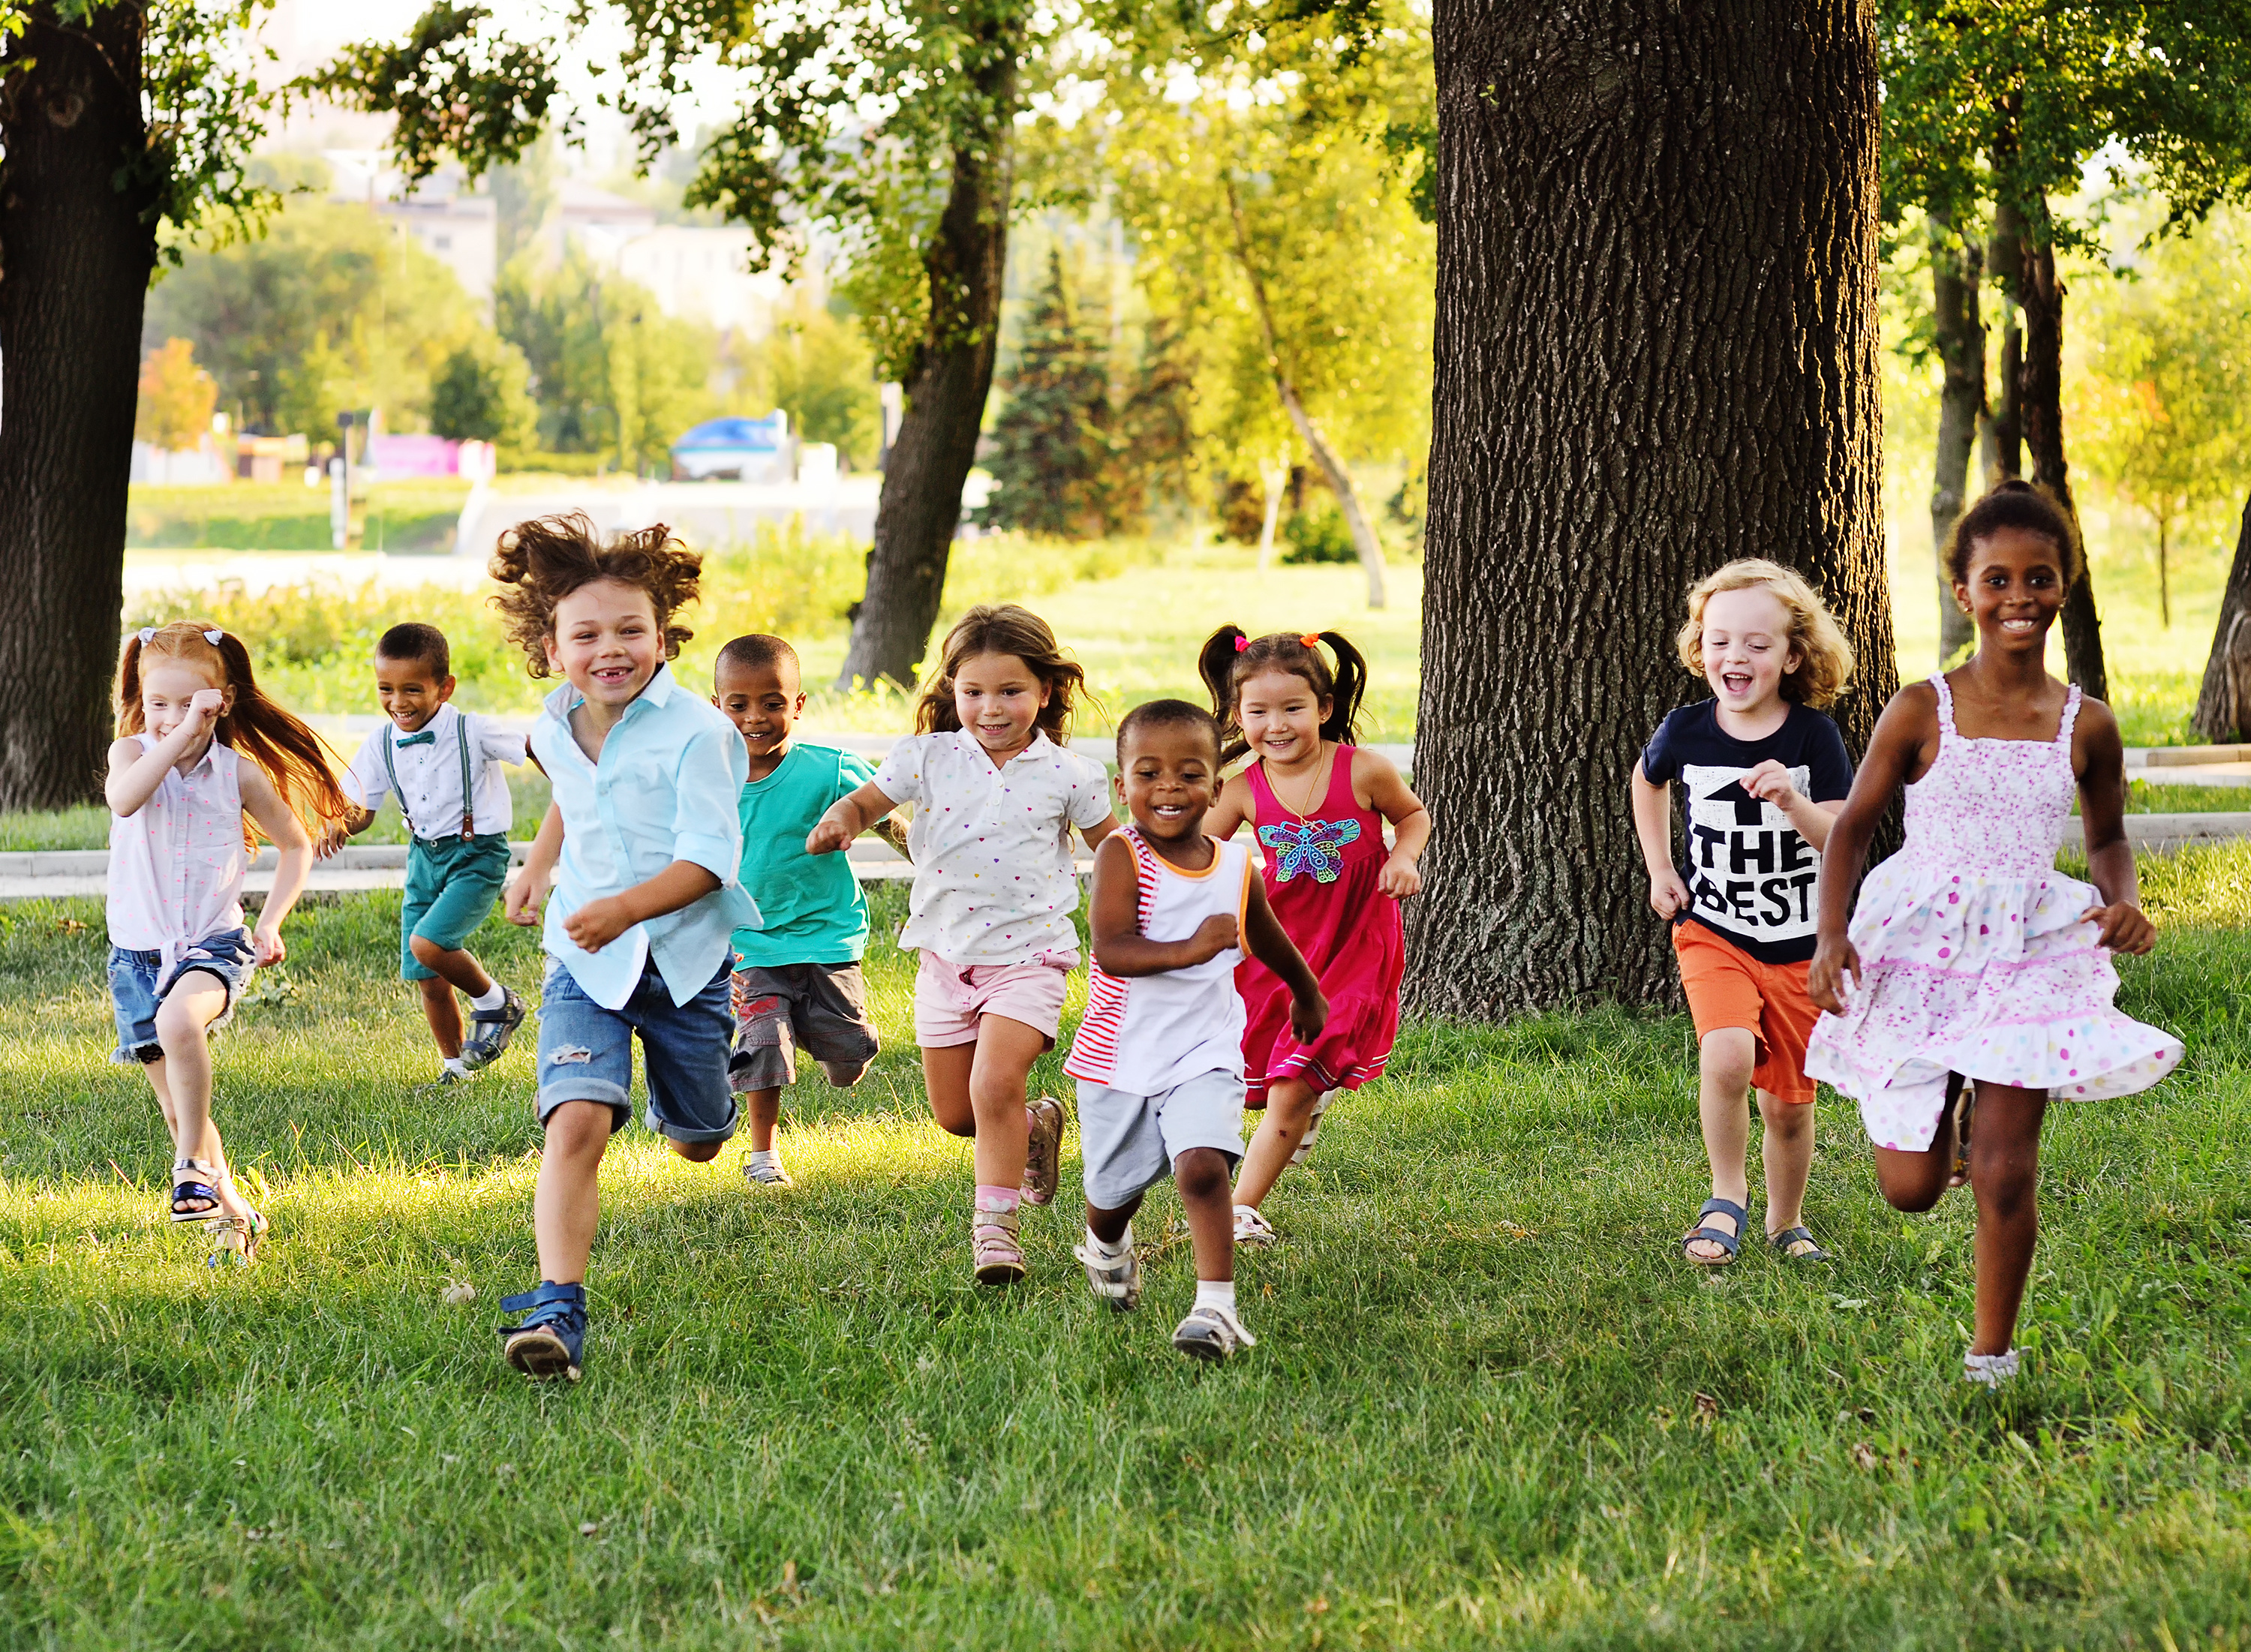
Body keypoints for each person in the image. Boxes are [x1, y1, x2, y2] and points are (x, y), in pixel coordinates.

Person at [1807, 482, 2183, 1387]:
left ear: (2065, 587)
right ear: (1966, 592)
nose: (2021, 595)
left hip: (2029, 950)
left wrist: (2121, 898)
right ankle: (1950, 1102)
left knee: (2009, 1172)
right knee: (1912, 1189)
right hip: (1920, 941)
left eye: (2040, 577)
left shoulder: (2084, 724)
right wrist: (1831, 936)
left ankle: (1992, 1356)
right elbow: (1854, 825)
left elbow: (2107, 837)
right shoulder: (1921, 708)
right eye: (1999, 579)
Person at [490, 515, 761, 1381]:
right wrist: (539, 866)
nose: (611, 649)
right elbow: (578, 794)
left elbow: (709, 863)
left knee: (700, 1140)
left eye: (631, 630)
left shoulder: (700, 732)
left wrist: (622, 909)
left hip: (682, 962)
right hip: (586, 963)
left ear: (663, 634)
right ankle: (558, 1308)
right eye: (587, 634)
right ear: (550, 644)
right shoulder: (554, 721)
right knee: (575, 1124)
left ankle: (694, 1107)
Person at [807, 604, 1117, 1284]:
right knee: (957, 1115)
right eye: (973, 692)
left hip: (1031, 959)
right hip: (946, 960)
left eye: (1010, 692)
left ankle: (995, 1235)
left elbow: (1118, 852)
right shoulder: (928, 757)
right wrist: (841, 819)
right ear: (953, 691)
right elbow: (868, 802)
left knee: (992, 1082)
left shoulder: (1069, 774)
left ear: (1045, 691)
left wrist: (1152, 904)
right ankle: (1033, 1126)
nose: (991, 707)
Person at [1066, 699, 1326, 1359]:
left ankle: (1216, 1309)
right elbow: (1114, 949)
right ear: (1121, 786)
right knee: (1111, 1194)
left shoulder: (1236, 865)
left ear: (1217, 785)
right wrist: (1189, 948)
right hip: (1119, 1057)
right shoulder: (1124, 856)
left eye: (1189, 774)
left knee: (1204, 1167)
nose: (1169, 789)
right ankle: (1105, 1244)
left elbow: (1264, 934)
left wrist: (1306, 992)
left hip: (1204, 1049)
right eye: (1148, 774)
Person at [1630, 560, 1857, 1266]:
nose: (1737, 657)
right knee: (1724, 1054)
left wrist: (1793, 800)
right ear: (1701, 648)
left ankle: (1786, 1221)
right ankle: (1725, 1195)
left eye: (1758, 645)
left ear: (1793, 656)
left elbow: (1844, 837)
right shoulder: (1686, 729)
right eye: (1721, 640)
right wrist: (1661, 868)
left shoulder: (1813, 739)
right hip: (1714, 931)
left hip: (1798, 944)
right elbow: (1647, 781)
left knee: (1789, 1105)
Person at [104, 622, 352, 1263]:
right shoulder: (130, 755)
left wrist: (269, 922)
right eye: (157, 703)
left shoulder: (236, 774)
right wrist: (179, 733)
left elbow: (295, 846)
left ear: (221, 702)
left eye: (188, 704)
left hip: (212, 944)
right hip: (135, 955)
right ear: (141, 699)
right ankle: (235, 1214)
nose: (169, 717)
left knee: (179, 1021)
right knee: (177, 1107)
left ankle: (188, 1165)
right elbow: (127, 801)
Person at [1196, 628, 1429, 1248]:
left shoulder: (1364, 771)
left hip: (1356, 945)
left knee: (1295, 1079)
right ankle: (1297, 1112)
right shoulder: (1243, 787)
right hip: (1279, 947)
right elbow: (1198, 852)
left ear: (1324, 709)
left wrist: (1403, 857)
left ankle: (1238, 1209)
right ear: (1237, 714)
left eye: (1293, 708)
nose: (1277, 724)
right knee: (1253, 1073)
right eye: (1258, 712)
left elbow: (1413, 816)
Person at [711, 633, 900, 1188]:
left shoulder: (829, 769)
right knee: (762, 1043)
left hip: (826, 937)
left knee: (844, 1067)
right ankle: (763, 1157)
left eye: (773, 702)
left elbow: (887, 819)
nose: (755, 717)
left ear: (798, 704)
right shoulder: (703, 784)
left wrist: (936, 867)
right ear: (715, 706)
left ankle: (846, 1041)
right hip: (753, 945)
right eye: (738, 704)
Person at [333, 622, 529, 1086]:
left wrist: (574, 783)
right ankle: (456, 1068)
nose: (398, 702)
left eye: (412, 690)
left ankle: (496, 1002)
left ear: (445, 687)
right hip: (423, 859)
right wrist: (335, 825)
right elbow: (360, 811)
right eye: (386, 689)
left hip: (475, 857)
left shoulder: (472, 730)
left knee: (430, 943)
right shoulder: (380, 743)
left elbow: (533, 747)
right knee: (427, 975)